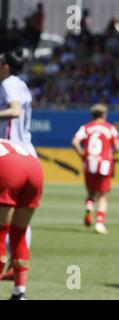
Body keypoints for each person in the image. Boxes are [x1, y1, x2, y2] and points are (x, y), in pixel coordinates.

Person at [0, 48, 34, 284]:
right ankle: (17, 266)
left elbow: (14, 110)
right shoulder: (22, 84)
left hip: (10, 153)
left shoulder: (8, 83)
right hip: (28, 154)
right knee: (22, 218)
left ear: (6, 66)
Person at [0, 139, 43, 300]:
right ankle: (19, 292)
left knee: (1, 232)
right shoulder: (6, 141)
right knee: (19, 233)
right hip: (34, 167)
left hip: (8, 167)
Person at [72, 103, 119, 235]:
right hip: (104, 164)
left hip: (89, 163)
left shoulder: (86, 127)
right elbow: (117, 147)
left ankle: (89, 206)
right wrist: (111, 153)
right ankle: (99, 223)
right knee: (103, 195)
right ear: (104, 115)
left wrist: (82, 155)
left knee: (91, 193)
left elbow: (75, 141)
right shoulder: (110, 128)